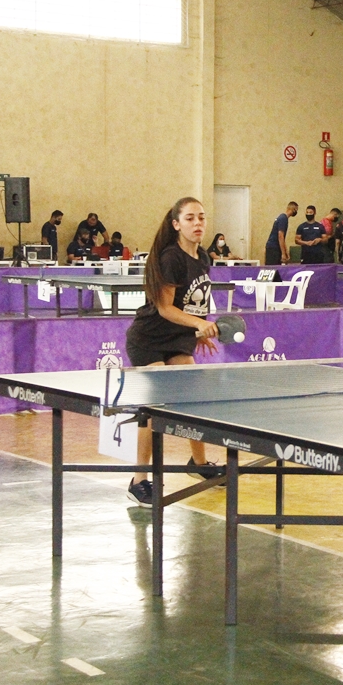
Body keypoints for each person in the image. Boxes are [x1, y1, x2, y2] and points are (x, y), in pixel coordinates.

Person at [124, 197, 222, 506]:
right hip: (149, 338)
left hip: (178, 339)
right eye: (190, 218)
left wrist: (198, 328)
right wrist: (197, 323)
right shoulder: (171, 258)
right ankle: (139, 480)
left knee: (194, 399)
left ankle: (199, 464)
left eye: (202, 218)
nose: (198, 223)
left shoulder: (203, 257)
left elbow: (195, 300)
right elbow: (165, 308)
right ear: (177, 224)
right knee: (154, 410)